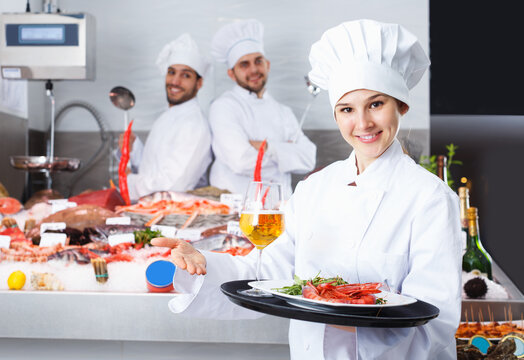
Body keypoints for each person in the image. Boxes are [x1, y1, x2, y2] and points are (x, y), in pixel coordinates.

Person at [152, 19, 461, 359]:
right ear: (336, 115)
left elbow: (437, 319)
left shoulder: (429, 198)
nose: (363, 123)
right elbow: (270, 273)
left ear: (401, 106)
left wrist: (348, 324)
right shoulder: (314, 189)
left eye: (376, 104)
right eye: (347, 109)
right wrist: (203, 263)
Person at [207, 19, 316, 198]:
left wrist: (266, 147)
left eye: (258, 61)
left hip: (279, 209)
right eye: (244, 64)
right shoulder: (223, 107)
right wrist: (286, 153)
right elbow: (240, 161)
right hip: (236, 209)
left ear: (268, 65)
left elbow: (308, 160)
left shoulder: (283, 112)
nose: (254, 70)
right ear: (231, 74)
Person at [119, 33, 212, 201]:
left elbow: (173, 186)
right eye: (171, 72)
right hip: (150, 211)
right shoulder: (166, 117)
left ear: (199, 83)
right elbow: (154, 169)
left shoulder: (195, 125)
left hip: (173, 218)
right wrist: (133, 149)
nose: (175, 81)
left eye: (185, 75)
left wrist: (128, 180)